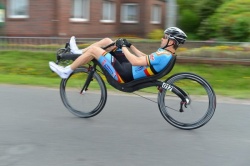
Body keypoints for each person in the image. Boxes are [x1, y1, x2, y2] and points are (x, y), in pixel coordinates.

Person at [49, 27, 187, 83]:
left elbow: (134, 61)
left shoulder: (163, 55)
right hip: (127, 68)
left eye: (165, 37)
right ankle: (77, 52)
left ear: (171, 42)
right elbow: (144, 58)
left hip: (125, 73)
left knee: (95, 51)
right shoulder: (165, 54)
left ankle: (66, 71)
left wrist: (124, 47)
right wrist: (130, 45)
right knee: (109, 42)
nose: (162, 39)